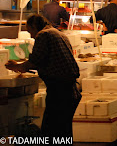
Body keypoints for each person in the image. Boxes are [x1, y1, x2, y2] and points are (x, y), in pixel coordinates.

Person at [5, 14, 81, 142]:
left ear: (35, 26)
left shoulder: (43, 35)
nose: (31, 36)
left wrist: (16, 66)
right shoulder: (58, 33)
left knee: (51, 132)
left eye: (30, 32)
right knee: (64, 131)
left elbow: (33, 62)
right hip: (71, 91)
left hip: (60, 91)